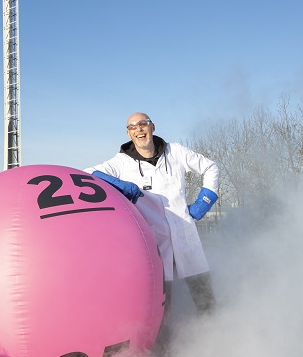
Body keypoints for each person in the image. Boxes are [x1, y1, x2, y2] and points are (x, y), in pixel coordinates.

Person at [86, 112, 220, 328]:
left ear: (153, 127)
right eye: (133, 127)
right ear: (129, 133)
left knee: (205, 300)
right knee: (163, 310)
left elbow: (210, 167)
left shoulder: (175, 151)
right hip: (155, 243)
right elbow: (88, 173)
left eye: (143, 124)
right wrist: (117, 184)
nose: (139, 129)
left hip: (186, 235)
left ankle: (218, 341)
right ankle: (166, 356)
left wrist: (204, 201)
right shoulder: (122, 162)